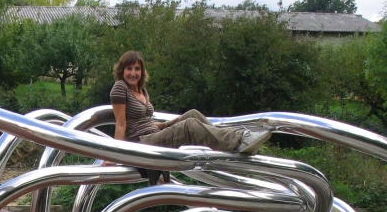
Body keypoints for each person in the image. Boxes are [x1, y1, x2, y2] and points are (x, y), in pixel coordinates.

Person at [108, 51, 271, 155]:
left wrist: (167, 124)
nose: (133, 73)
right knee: (189, 125)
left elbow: (144, 122)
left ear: (142, 71)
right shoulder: (120, 88)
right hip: (140, 143)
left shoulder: (142, 91)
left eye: (137, 69)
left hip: (152, 134)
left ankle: (232, 143)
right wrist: (114, 155)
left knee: (193, 114)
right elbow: (121, 125)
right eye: (129, 69)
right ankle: (238, 139)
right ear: (122, 71)